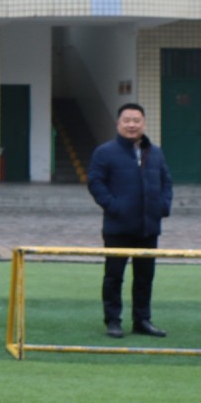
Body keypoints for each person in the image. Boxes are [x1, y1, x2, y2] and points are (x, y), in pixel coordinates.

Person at [87, 102, 173, 339]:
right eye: (127, 120)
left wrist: (162, 207)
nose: (132, 125)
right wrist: (114, 207)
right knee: (114, 276)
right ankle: (113, 321)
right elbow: (95, 183)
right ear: (118, 123)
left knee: (145, 276)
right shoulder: (105, 152)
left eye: (137, 120)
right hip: (118, 226)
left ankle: (142, 320)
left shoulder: (155, 152)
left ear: (144, 123)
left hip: (149, 225)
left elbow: (166, 181)